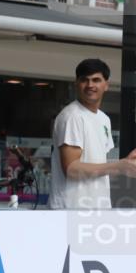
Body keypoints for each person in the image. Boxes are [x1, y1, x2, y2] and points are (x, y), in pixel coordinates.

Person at [50, 58, 136, 209]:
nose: (90, 85)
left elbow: (97, 166)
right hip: (70, 210)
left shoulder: (104, 119)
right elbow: (71, 170)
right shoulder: (72, 116)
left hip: (96, 209)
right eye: (85, 80)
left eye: (96, 80)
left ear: (106, 85)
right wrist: (118, 166)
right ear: (77, 83)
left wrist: (124, 165)